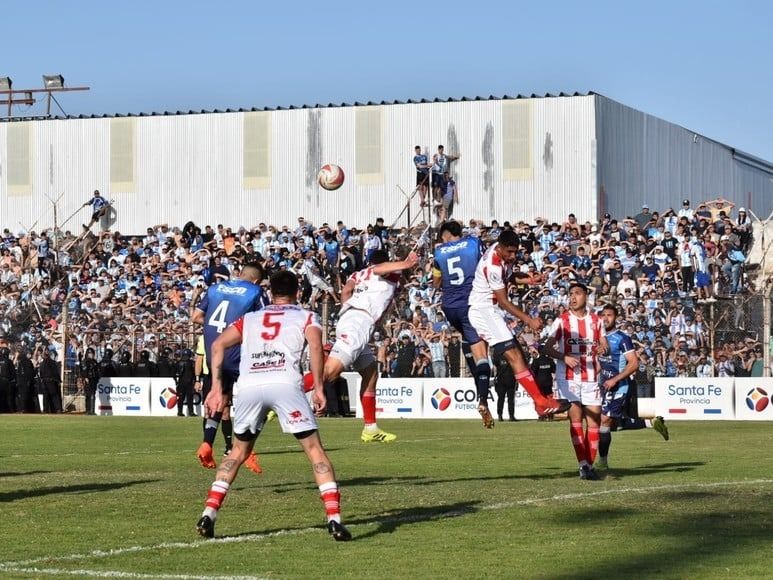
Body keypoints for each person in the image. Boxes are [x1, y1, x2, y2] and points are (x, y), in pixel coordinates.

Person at [197, 271, 351, 542]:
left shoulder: (250, 318)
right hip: (284, 383)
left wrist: (216, 387)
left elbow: (218, 344)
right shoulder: (307, 316)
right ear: (298, 292)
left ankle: (209, 512)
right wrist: (318, 387)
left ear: (270, 293)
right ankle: (334, 519)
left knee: (237, 452)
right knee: (314, 450)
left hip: (249, 385)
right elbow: (316, 347)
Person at [467, 229, 571, 423]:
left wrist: (529, 279)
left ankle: (540, 401)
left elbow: (510, 277)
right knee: (514, 355)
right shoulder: (493, 266)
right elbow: (504, 301)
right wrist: (529, 320)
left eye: (515, 251)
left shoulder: (502, 256)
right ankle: (540, 402)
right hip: (484, 311)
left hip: (490, 311)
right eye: (510, 252)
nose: (513, 256)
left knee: (519, 355)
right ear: (500, 247)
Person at [323, 248, 419, 443]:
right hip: (359, 322)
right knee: (330, 372)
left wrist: (347, 311)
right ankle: (286, 394)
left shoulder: (358, 274)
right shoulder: (384, 270)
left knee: (370, 372)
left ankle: (370, 428)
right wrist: (407, 263)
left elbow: (347, 291)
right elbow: (379, 269)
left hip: (350, 317)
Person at [191, 261, 268, 470]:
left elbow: (196, 317)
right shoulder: (255, 292)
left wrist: (219, 326)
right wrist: (235, 329)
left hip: (214, 354)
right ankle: (246, 448)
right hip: (237, 354)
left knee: (220, 399)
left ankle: (207, 443)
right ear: (256, 280)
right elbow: (265, 322)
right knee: (260, 398)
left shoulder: (215, 289)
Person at [544, 283, 609, 481]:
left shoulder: (596, 320)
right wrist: (564, 357)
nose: (572, 297)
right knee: (576, 418)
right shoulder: (562, 321)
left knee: (595, 421)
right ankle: (584, 466)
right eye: (570, 294)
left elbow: (604, 344)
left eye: (577, 293)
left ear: (586, 296)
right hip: (568, 377)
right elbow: (547, 347)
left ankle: (589, 463)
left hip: (591, 377)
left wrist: (602, 349)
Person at [431, 221, 494, 427]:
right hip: (470, 304)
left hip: (450, 307)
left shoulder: (439, 253)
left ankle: (480, 390)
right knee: (482, 354)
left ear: (446, 235)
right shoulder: (473, 243)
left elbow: (436, 283)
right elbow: (486, 266)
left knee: (469, 342)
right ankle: (483, 399)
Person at [595, 305, 669, 470]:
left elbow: (634, 363)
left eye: (609, 315)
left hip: (618, 386)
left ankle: (602, 463)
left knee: (605, 420)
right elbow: (600, 363)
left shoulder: (622, 338)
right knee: (611, 424)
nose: (605, 318)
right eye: (603, 315)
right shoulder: (598, 337)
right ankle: (651, 422)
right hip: (603, 385)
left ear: (616, 318)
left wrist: (615, 379)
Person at [175, 348, 196, 417]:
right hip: (189, 382)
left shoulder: (178, 362)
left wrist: (176, 381)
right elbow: (194, 372)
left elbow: (174, 372)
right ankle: (191, 412)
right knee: (190, 398)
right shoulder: (191, 363)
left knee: (181, 398)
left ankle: (179, 412)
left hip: (181, 382)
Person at [79, 347, 100, 415]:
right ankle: (89, 410)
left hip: (94, 379)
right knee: (89, 394)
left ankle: (91, 410)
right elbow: (83, 370)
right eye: (90, 353)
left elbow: (97, 371)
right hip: (88, 379)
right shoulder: (85, 361)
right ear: (87, 354)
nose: (92, 355)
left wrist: (97, 378)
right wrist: (85, 377)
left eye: (92, 353)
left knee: (92, 394)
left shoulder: (94, 361)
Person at [495, 357, 516, 422]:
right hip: (509, 379)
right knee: (510, 399)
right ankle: (511, 416)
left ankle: (500, 416)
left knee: (501, 399)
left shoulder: (498, 357)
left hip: (502, 380)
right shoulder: (511, 357)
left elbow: (495, 368)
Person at [0, 346, 16, 413]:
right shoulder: (9, 361)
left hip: (1, 380)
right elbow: (13, 372)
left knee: (1, 396)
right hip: (7, 381)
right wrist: (11, 379)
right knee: (9, 397)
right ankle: (10, 410)